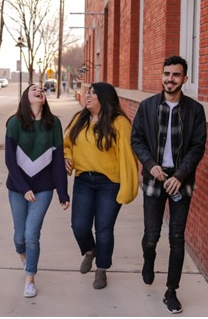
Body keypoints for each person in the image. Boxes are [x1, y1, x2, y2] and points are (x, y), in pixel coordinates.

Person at [131, 55, 206, 314]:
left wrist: (181, 175)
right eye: (166, 74)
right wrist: (150, 164)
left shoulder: (195, 110)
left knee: (177, 237)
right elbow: (137, 139)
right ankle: (148, 259)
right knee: (151, 235)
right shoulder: (148, 107)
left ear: (184, 79)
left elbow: (197, 147)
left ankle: (171, 291)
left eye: (175, 75)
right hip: (154, 177)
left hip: (180, 180)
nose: (169, 79)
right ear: (161, 76)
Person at [64, 82, 138, 290]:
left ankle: (102, 269)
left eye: (93, 93)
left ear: (104, 98)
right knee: (79, 226)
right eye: (88, 92)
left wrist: (127, 187)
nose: (88, 96)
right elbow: (67, 144)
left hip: (110, 183)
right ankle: (89, 251)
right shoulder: (80, 119)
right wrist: (67, 158)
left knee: (104, 229)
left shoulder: (120, 123)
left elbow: (127, 157)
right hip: (83, 180)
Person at [5, 84, 70, 298]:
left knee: (32, 233)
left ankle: (30, 277)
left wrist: (62, 192)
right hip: (17, 188)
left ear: (44, 98)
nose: (39, 90)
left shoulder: (54, 124)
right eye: (33, 88)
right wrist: (24, 189)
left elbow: (59, 160)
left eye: (42, 89)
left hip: (43, 188)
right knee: (19, 237)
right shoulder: (14, 123)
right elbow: (10, 161)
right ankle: (25, 257)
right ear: (26, 96)